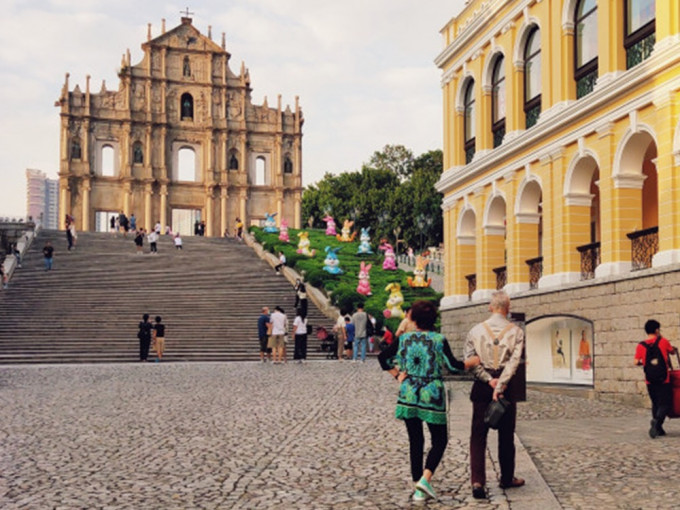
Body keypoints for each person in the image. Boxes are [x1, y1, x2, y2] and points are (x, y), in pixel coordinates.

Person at [379, 300, 479, 503]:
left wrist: (397, 375)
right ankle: (425, 479)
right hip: (431, 393)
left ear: (413, 319)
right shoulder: (438, 339)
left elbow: (383, 358)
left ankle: (418, 485)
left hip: (408, 393)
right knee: (439, 439)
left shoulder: (404, 339)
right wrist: (472, 362)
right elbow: (454, 366)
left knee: (415, 440)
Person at [464, 290, 525, 499]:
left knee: (478, 435)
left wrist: (488, 380)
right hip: (507, 387)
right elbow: (514, 362)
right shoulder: (517, 332)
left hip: (482, 386)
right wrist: (501, 385)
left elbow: (470, 360)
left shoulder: (475, 330)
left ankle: (477, 481)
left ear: (491, 307)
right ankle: (507, 478)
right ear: (507, 309)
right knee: (507, 434)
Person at [634, 319, 677, 438]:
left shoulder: (641, 345)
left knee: (656, 403)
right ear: (657, 330)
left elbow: (636, 362)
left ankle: (658, 429)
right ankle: (657, 422)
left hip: (650, 379)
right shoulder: (663, 341)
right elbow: (672, 352)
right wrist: (661, 337)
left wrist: (647, 363)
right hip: (664, 379)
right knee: (665, 403)